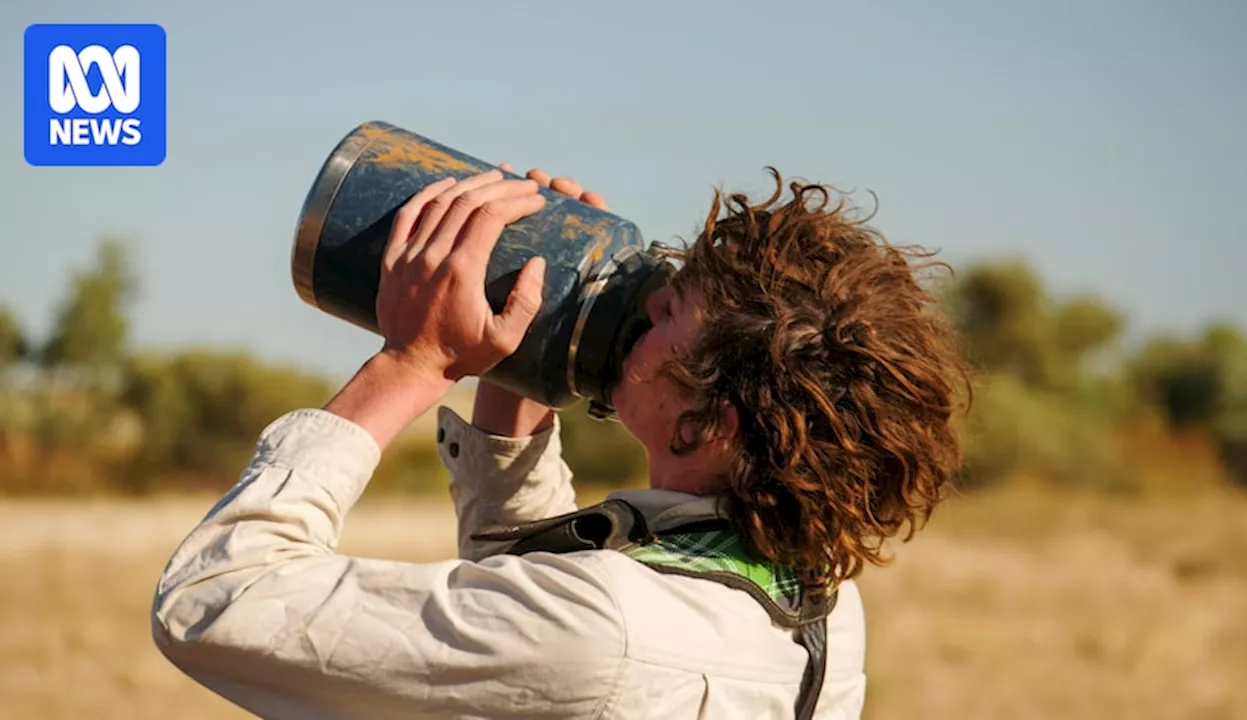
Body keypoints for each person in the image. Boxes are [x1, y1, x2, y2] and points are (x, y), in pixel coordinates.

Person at [151, 164, 969, 719]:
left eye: (663, 318)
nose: (637, 311)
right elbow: (526, 618)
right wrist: (530, 345)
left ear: (714, 422)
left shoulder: (601, 631)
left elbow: (219, 601)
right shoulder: (816, 598)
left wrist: (414, 361)